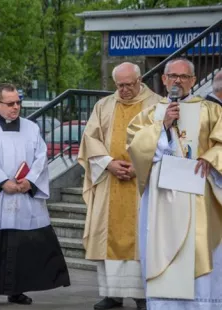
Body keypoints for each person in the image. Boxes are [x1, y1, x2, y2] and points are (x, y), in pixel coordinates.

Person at [127, 58, 222, 309]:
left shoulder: (212, 111)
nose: (178, 80)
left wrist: (211, 158)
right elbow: (135, 146)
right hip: (162, 198)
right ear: (164, 79)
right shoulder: (150, 113)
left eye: (184, 76)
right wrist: (162, 126)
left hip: (198, 195)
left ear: (193, 81)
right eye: (173, 76)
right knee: (162, 250)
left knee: (198, 251)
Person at [0, 83, 70, 307]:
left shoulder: (31, 128)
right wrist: (1, 182)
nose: (15, 107)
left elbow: (41, 157)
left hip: (23, 195)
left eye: (18, 102)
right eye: (10, 103)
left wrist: (30, 181)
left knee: (23, 246)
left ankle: (17, 291)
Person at [78, 62, 161, 310]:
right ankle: (112, 294)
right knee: (108, 237)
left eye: (129, 84)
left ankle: (143, 295)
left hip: (144, 184)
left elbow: (168, 142)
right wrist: (109, 163)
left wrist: (142, 165)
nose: (124, 90)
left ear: (139, 80)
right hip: (109, 180)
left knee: (144, 236)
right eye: (119, 85)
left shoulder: (158, 104)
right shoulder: (104, 106)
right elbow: (90, 139)